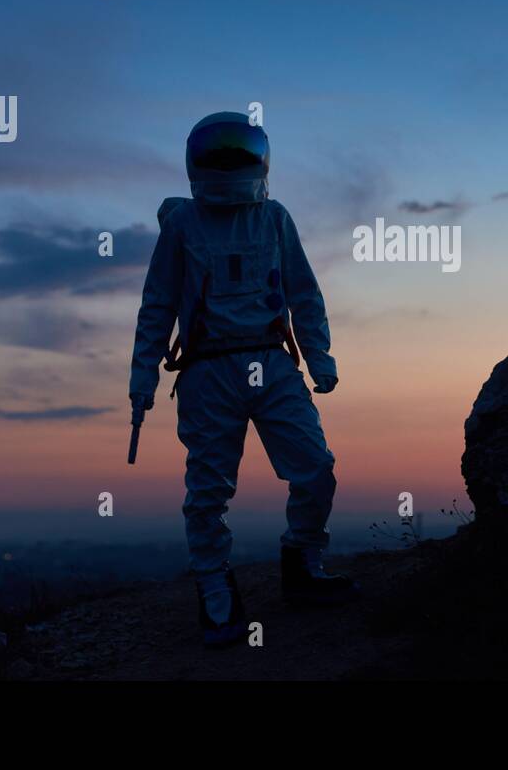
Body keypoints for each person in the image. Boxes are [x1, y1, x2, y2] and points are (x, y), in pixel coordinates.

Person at [129, 111, 358, 648]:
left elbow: (304, 291)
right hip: (208, 368)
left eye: (237, 156)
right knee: (208, 490)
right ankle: (215, 587)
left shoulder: (274, 218)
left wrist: (320, 358)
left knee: (316, 468)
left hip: (270, 360)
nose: (230, 165)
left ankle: (303, 560)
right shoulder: (183, 226)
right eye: (222, 156)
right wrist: (142, 377)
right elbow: (158, 305)